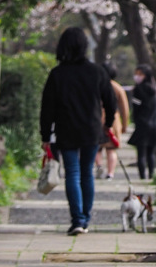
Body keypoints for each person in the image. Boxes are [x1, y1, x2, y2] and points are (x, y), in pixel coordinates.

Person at [40, 27, 116, 235]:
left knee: (72, 173)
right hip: (91, 130)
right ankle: (85, 218)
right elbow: (111, 100)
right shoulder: (97, 71)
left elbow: (47, 108)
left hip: (66, 130)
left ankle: (77, 220)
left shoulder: (57, 74)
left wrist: (45, 135)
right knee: (87, 174)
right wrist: (108, 124)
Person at [95, 61, 131, 179]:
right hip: (113, 121)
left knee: (97, 148)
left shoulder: (96, 85)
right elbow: (124, 108)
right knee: (111, 150)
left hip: (97, 119)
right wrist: (124, 125)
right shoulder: (117, 88)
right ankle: (110, 173)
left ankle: (99, 166)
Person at [128, 63, 156, 179]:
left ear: (146, 75)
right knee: (151, 152)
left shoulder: (138, 89)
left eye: (140, 74)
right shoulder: (155, 89)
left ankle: (142, 176)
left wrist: (135, 121)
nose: (137, 76)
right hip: (154, 125)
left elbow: (136, 108)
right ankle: (152, 175)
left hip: (142, 125)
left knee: (141, 153)